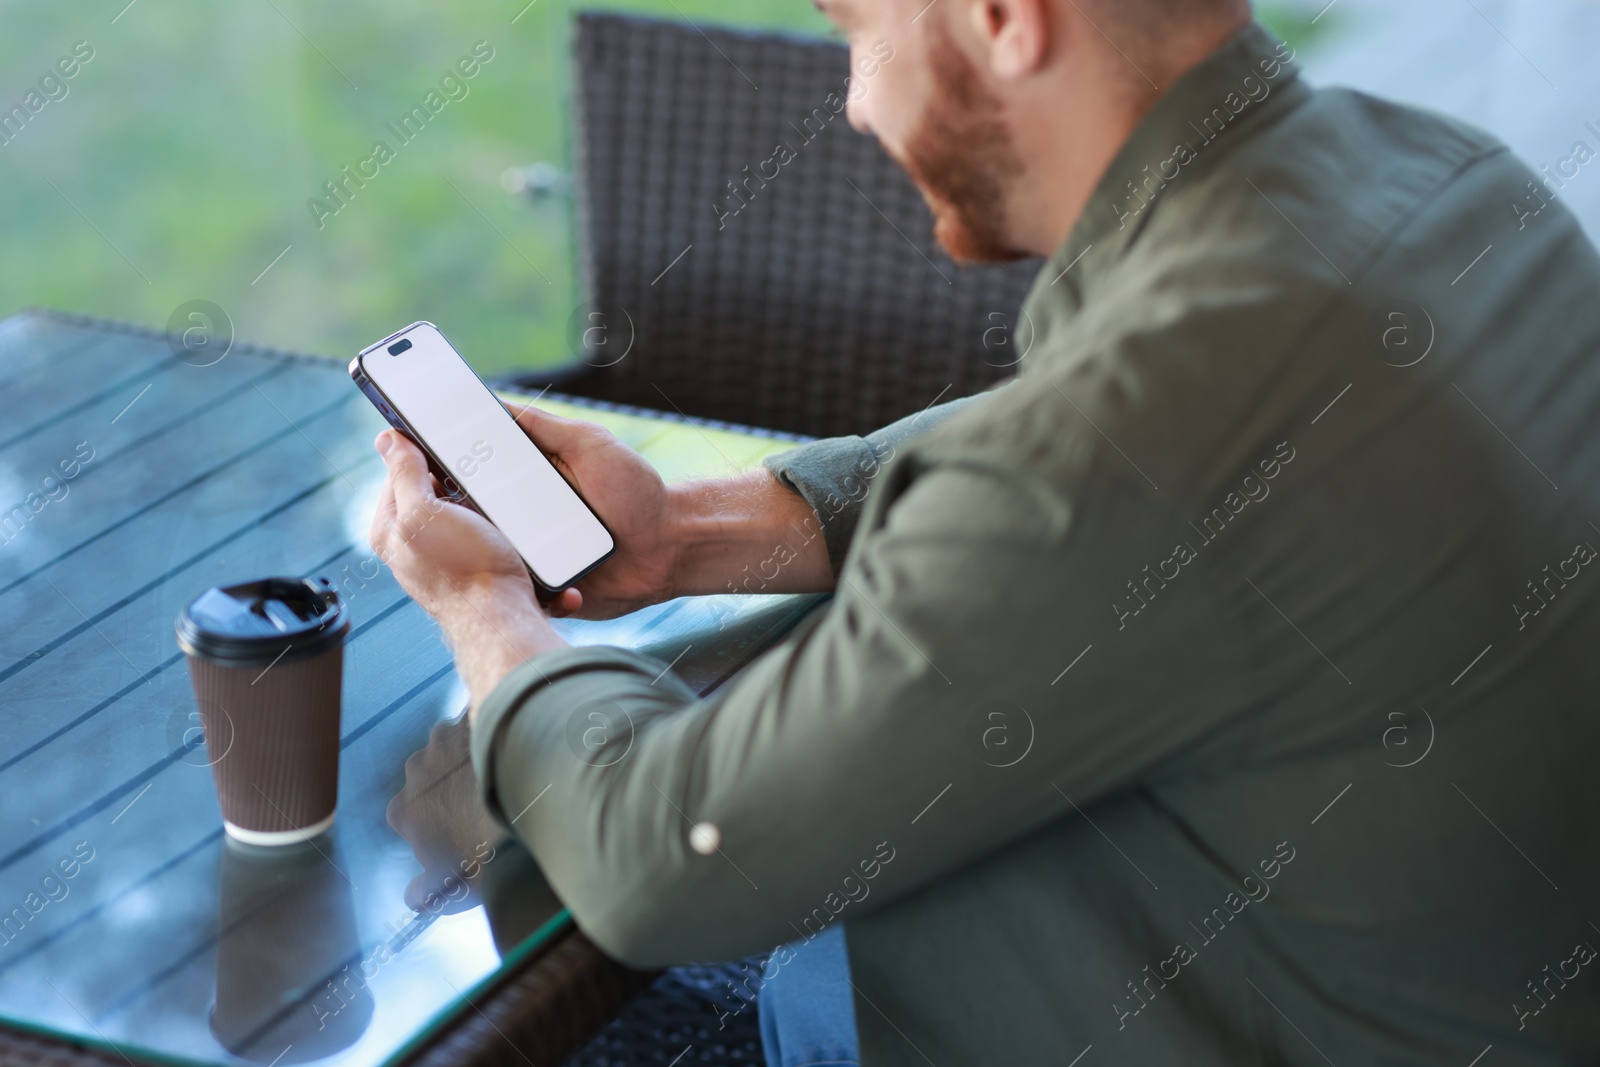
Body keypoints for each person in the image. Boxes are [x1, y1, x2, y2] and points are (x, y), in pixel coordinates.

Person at [371, 0, 1600, 1062]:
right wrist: (691, 529)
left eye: (855, 30)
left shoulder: (1152, 423)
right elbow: (1081, 438)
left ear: (1007, 17)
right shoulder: (1448, 179)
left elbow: (663, 855)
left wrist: (489, 614)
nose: (854, 104)